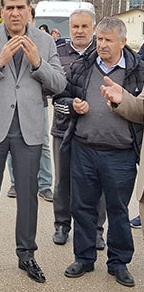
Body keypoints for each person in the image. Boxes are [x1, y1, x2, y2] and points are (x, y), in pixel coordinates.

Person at [0, 0, 66, 283]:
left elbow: (59, 84)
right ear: (1, 11)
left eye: (20, 7)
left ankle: (27, 254)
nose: (15, 13)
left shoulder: (45, 42)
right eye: (9, 8)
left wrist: (37, 62)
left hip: (29, 129)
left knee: (28, 196)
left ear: (29, 10)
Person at [55, 17, 144, 288]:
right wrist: (72, 105)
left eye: (108, 40)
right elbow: (60, 98)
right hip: (84, 148)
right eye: (100, 39)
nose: (102, 45)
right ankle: (83, 258)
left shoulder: (138, 71)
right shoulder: (82, 67)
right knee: (82, 207)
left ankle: (118, 263)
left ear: (123, 42)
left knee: (118, 210)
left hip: (121, 153)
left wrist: (123, 99)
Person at [50, 9, 106, 248]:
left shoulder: (102, 53)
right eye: (75, 27)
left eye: (85, 26)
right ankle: (62, 224)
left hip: (95, 130)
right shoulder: (57, 53)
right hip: (63, 128)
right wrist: (70, 105)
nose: (80, 31)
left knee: (97, 182)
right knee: (63, 180)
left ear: (93, 28)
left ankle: (96, 230)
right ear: (69, 28)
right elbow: (52, 92)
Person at [5, 6, 53, 201]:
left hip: (38, 104)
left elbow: (53, 79)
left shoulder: (44, 44)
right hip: (12, 105)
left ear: (32, 20)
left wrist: (36, 61)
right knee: (11, 144)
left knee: (43, 145)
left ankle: (45, 184)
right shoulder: (6, 44)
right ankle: (15, 182)